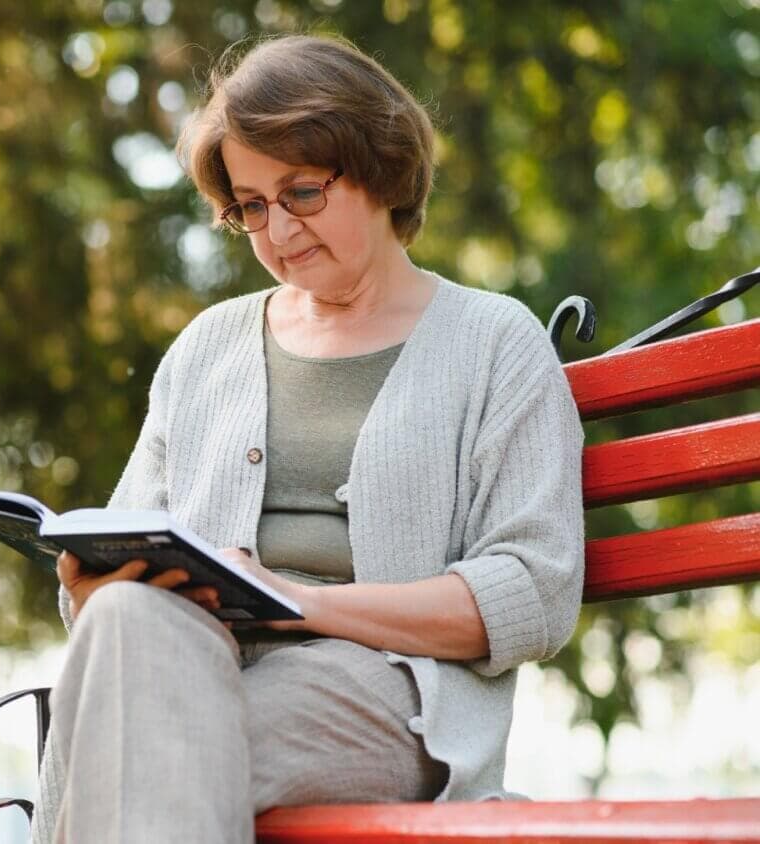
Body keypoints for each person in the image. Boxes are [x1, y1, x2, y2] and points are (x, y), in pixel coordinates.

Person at [30, 32, 584, 844]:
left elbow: (532, 593)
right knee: (123, 631)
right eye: (251, 206)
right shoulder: (208, 348)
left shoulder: (495, 342)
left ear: (380, 165)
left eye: (302, 193)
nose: (277, 229)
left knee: (148, 742)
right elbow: (124, 544)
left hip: (386, 689)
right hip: (193, 662)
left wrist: (299, 604)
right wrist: (91, 587)